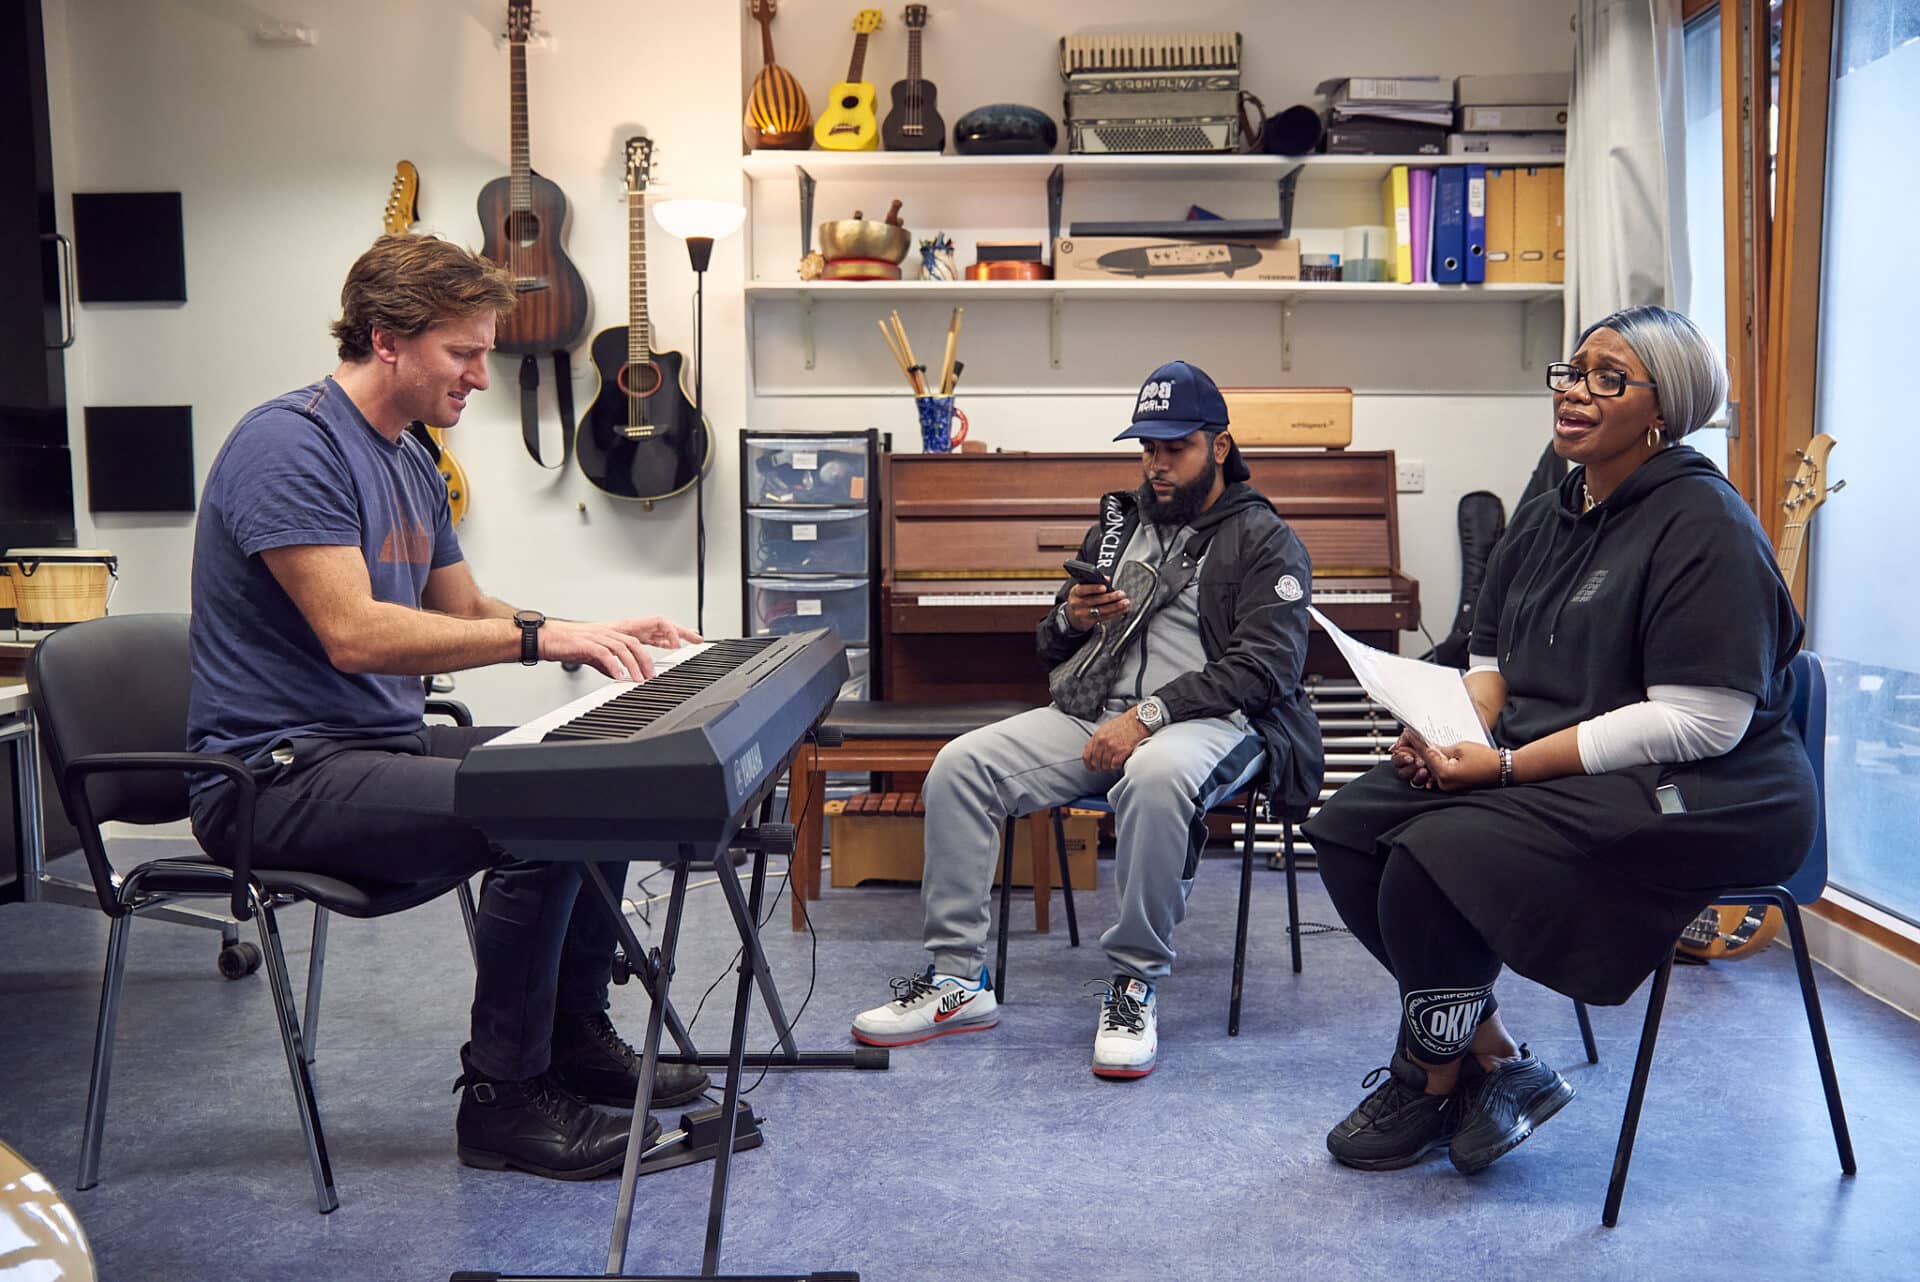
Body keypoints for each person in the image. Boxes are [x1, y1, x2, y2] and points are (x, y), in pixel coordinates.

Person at [186, 234, 710, 1181]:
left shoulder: (410, 458)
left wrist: (588, 627)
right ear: (386, 339)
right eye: (462, 353)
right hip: (273, 777)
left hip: (372, 753)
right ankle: (504, 1102)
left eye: (483, 351)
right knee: (538, 809)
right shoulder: (288, 446)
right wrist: (543, 639)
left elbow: (462, 612)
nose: (479, 374)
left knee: (603, 774)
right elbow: (355, 633)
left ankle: (572, 1043)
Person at [1305, 306, 1816, 1174]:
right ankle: (1494, 1058)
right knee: (1352, 827)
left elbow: (1704, 719)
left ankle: (1429, 1074)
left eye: (1608, 378)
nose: (1575, 392)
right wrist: (1447, 734)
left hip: (1706, 787)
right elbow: (1492, 661)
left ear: (1664, 408)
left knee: (1432, 849)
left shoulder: (1704, 523)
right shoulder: (1549, 515)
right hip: (1559, 762)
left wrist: (1500, 766)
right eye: (1572, 372)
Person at [851, 360, 1324, 1078]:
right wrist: (1069, 618)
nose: (1158, 466)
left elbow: (1268, 669)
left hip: (1214, 722)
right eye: (1148, 450)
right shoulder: (1122, 522)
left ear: (1219, 448)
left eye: (1176, 449)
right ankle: (957, 981)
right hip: (1094, 712)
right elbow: (1051, 640)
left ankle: (1134, 981)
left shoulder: (1264, 540)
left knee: (1156, 776)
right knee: (962, 765)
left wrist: (1148, 716)